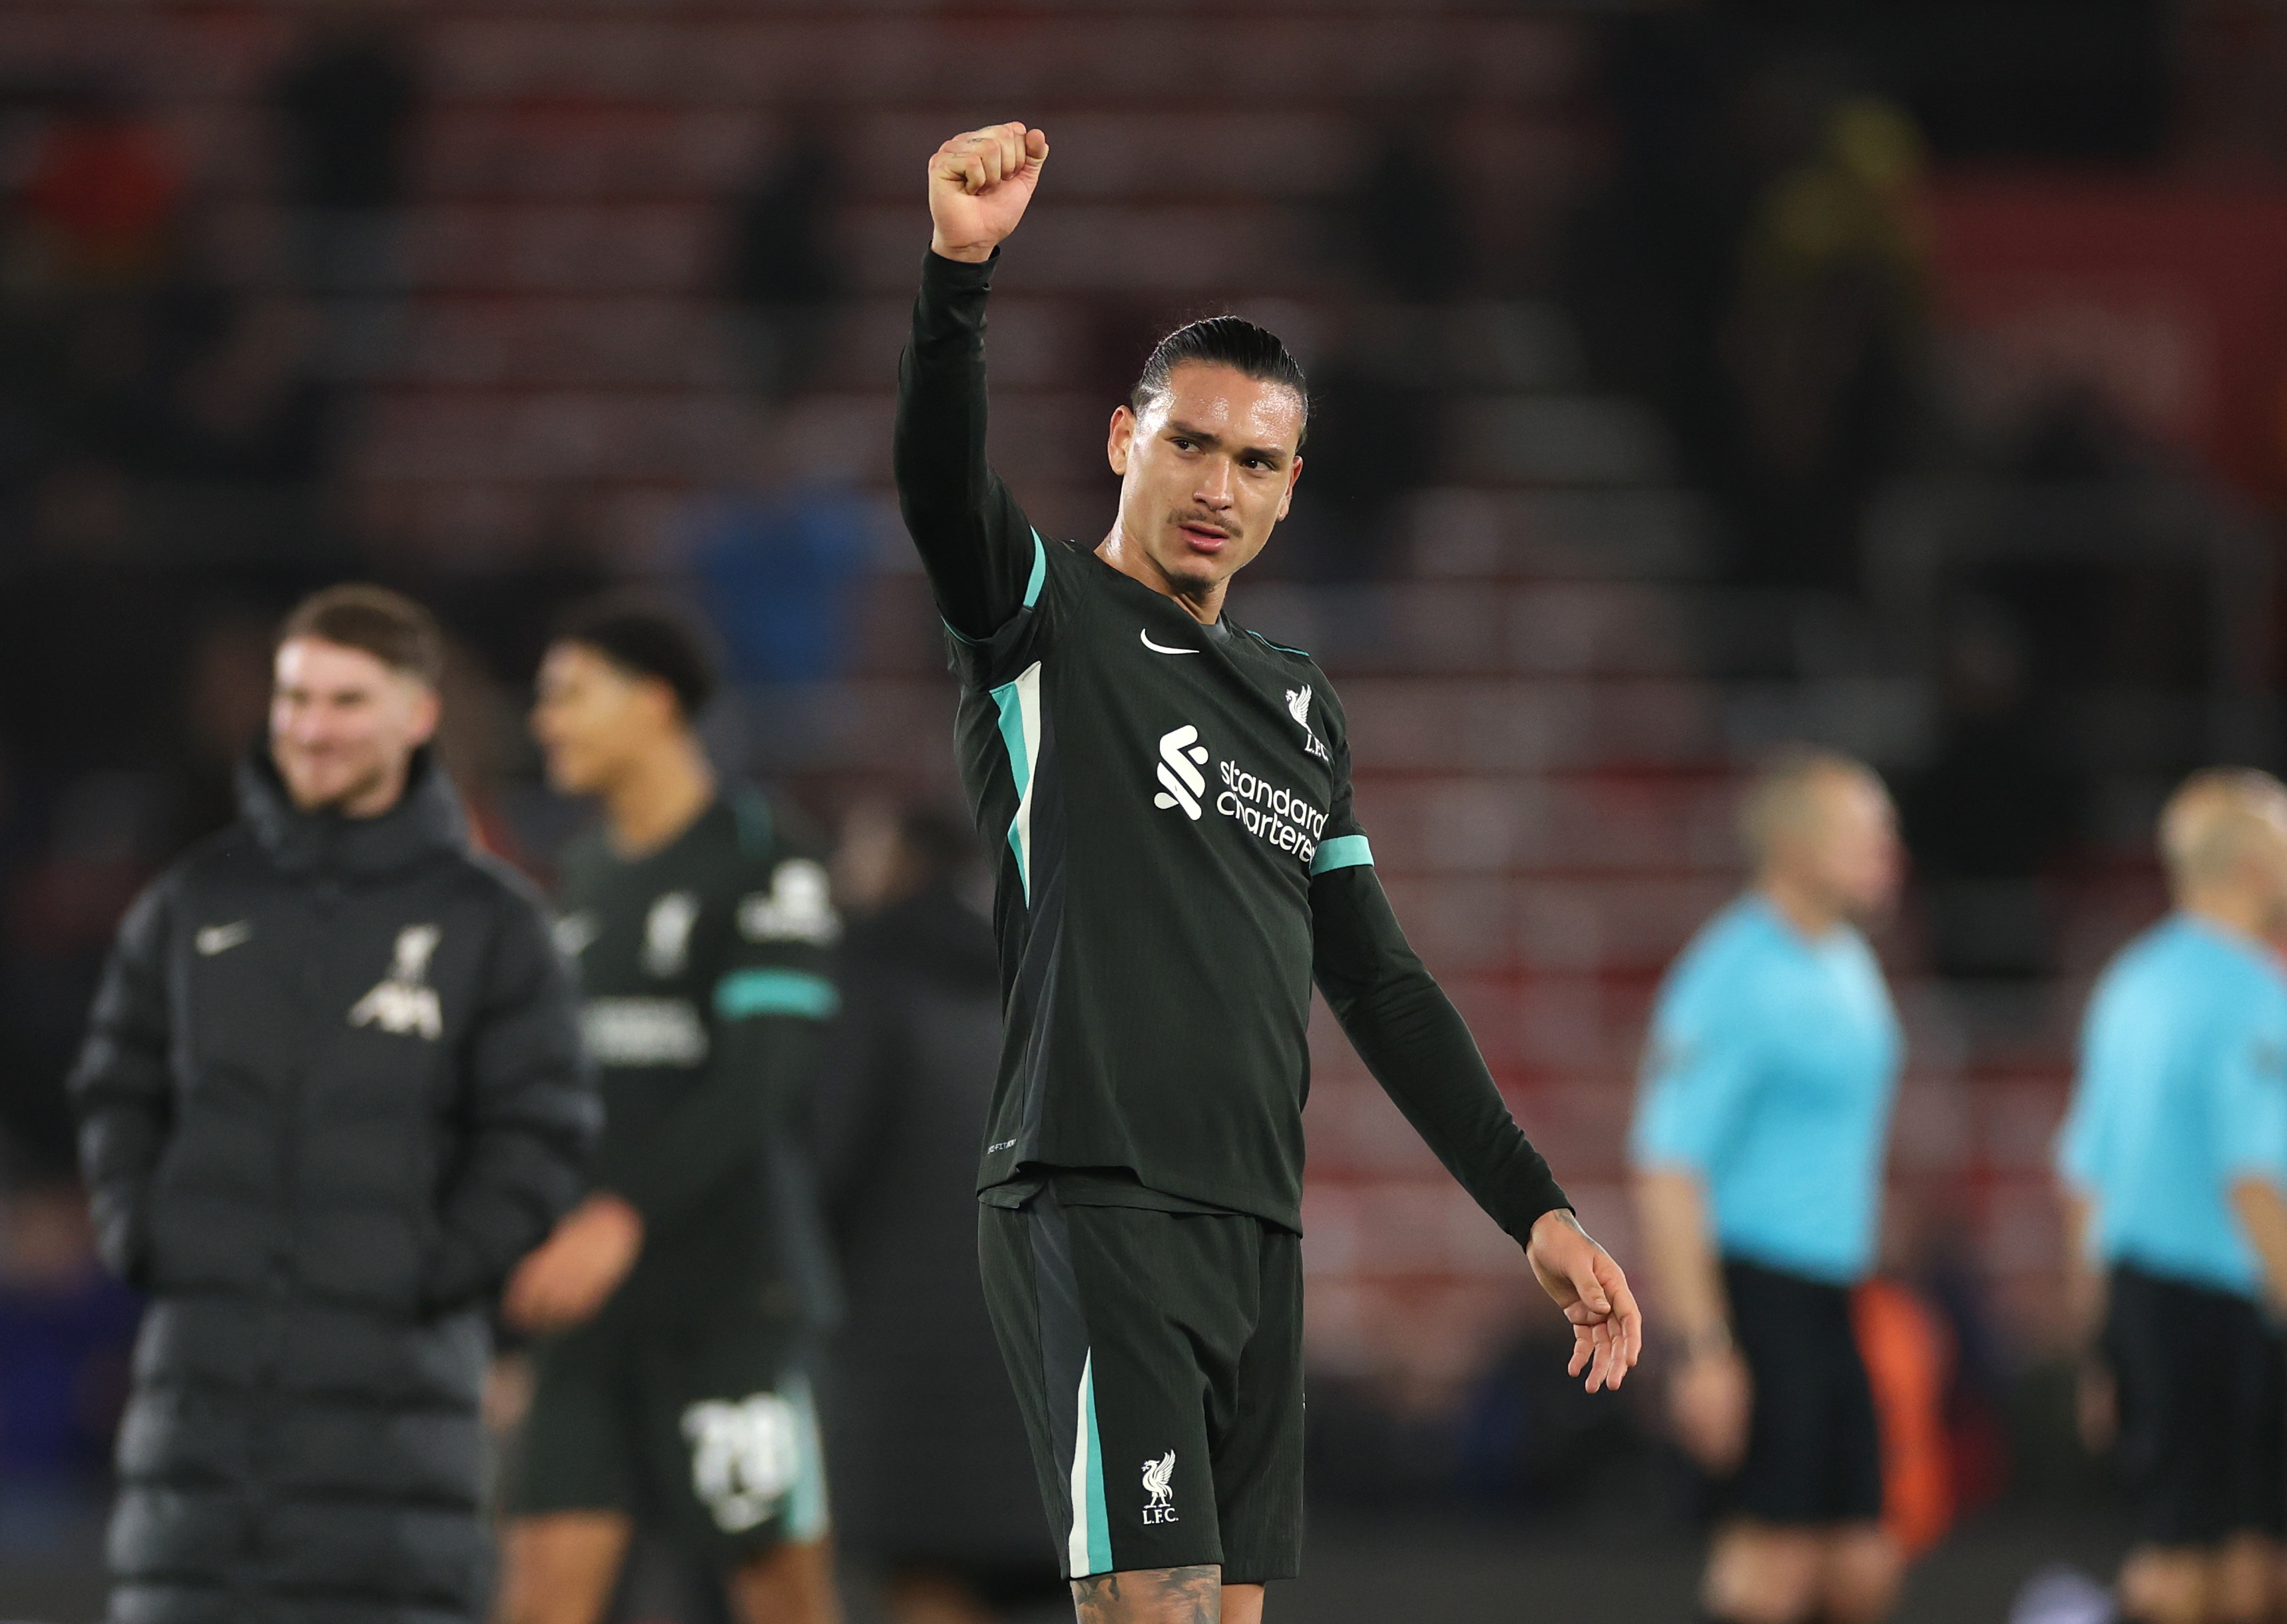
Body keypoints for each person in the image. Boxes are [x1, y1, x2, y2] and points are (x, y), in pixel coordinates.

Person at [893, 122, 1640, 1624]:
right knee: (1147, 1607)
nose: (1215, 484)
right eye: (1187, 442)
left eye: (1251, 459)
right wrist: (957, 273)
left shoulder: (1300, 705)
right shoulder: (1046, 627)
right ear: (1123, 438)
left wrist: (1536, 1210)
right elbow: (935, 486)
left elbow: (1373, 976)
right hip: (1094, 1194)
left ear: (1292, 484)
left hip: (1253, 1222)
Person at [69, 583, 597, 1624]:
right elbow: (116, 1085)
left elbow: (540, 1129)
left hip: (397, 1447)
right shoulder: (192, 901)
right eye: (295, 697)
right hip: (199, 1448)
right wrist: (143, 1228)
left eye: (347, 699)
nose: (313, 727)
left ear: (418, 714)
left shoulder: (495, 924)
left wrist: (433, 1265)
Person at [498, 597, 844, 1624]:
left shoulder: (762, 854)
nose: (544, 721)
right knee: (541, 1594)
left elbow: (757, 1079)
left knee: (779, 1594)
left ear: (652, 703)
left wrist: (619, 1213)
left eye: (567, 694)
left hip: (731, 1304)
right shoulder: (583, 880)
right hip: (593, 1318)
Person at [1629, 747, 1907, 1624]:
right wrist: (1703, 1346)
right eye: (1865, 833)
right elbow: (1665, 1163)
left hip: (1831, 1290)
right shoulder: (1729, 975)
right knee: (1767, 1566)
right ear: (1792, 846)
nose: (1887, 851)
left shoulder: (1843, 959)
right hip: (1756, 1288)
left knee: (1860, 1562)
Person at [815, 805, 1065, 1623]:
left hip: (908, 1366)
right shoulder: (1046, 981)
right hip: (1048, 1352)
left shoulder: (871, 980)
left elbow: (826, 1164)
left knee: (928, 1579)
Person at [2055, 768, 2287, 1624]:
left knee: (2195, 1545)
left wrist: (2096, 1341)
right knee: (2224, 1560)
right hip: (2226, 1299)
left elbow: (2086, 1177)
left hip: (2143, 1299)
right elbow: (2254, 1176)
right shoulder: (2255, 995)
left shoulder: (2130, 984)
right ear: (2254, 865)